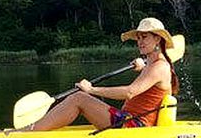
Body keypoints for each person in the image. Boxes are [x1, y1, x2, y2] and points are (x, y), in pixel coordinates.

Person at [16, 17, 179, 131]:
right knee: (80, 98)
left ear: (158, 39)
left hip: (134, 125)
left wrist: (92, 90)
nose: (140, 42)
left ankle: (30, 131)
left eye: (144, 37)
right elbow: (151, 76)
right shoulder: (154, 64)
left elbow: (129, 93)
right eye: (138, 38)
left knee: (79, 98)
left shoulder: (158, 67)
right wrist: (142, 65)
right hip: (129, 119)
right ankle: (35, 128)